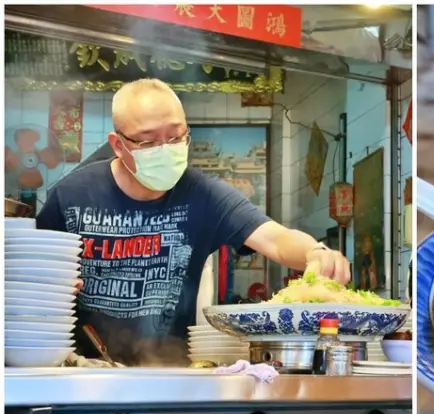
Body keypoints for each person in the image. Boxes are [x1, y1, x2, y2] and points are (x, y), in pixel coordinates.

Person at [37, 78, 351, 366]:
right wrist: (49, 286)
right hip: (81, 374)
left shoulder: (202, 194)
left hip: (167, 373)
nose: (165, 150)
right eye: (148, 142)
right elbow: (29, 273)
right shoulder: (71, 196)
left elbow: (275, 239)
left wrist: (316, 252)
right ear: (118, 145)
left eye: (176, 137)